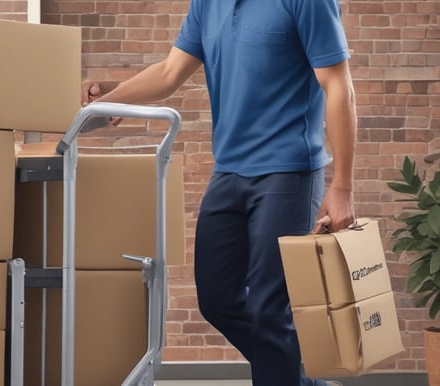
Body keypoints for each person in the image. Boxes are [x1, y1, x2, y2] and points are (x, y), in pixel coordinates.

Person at [81, 0, 357, 385]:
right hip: (229, 170)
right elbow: (169, 71)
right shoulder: (208, 4)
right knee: (218, 300)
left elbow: (338, 86)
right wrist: (113, 99)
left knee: (268, 311)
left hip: (287, 172)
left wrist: (342, 185)